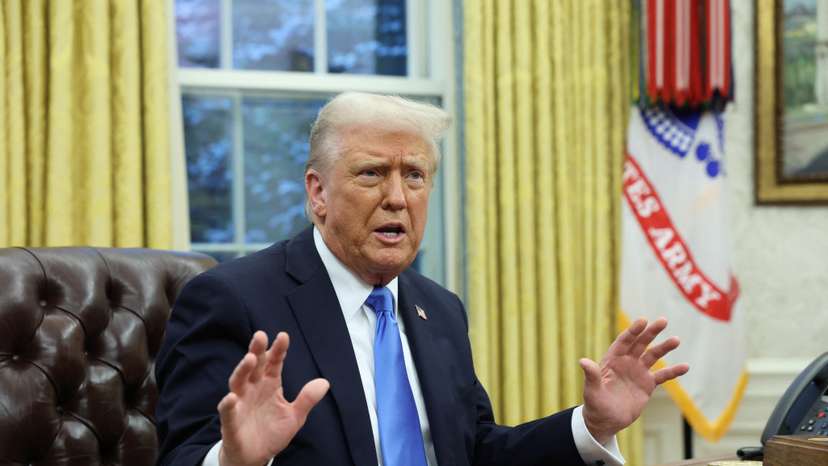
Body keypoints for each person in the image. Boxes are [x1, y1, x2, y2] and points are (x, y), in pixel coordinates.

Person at [155, 92, 689, 466]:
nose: (397, 198)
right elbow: (182, 456)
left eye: (414, 175)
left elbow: (475, 452)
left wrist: (592, 425)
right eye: (371, 173)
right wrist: (235, 461)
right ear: (318, 193)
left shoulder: (441, 309)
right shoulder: (233, 300)